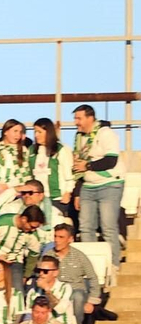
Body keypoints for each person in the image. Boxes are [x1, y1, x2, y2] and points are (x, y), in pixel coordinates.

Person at [71, 102, 125, 267]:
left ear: (90, 118)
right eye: (75, 118)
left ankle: (113, 266)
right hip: (88, 185)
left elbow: (111, 160)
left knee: (108, 227)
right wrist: (78, 193)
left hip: (109, 184)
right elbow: (79, 166)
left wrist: (87, 166)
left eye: (79, 118)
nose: (75, 122)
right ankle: (93, 267)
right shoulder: (79, 137)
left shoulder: (106, 134)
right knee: (86, 227)